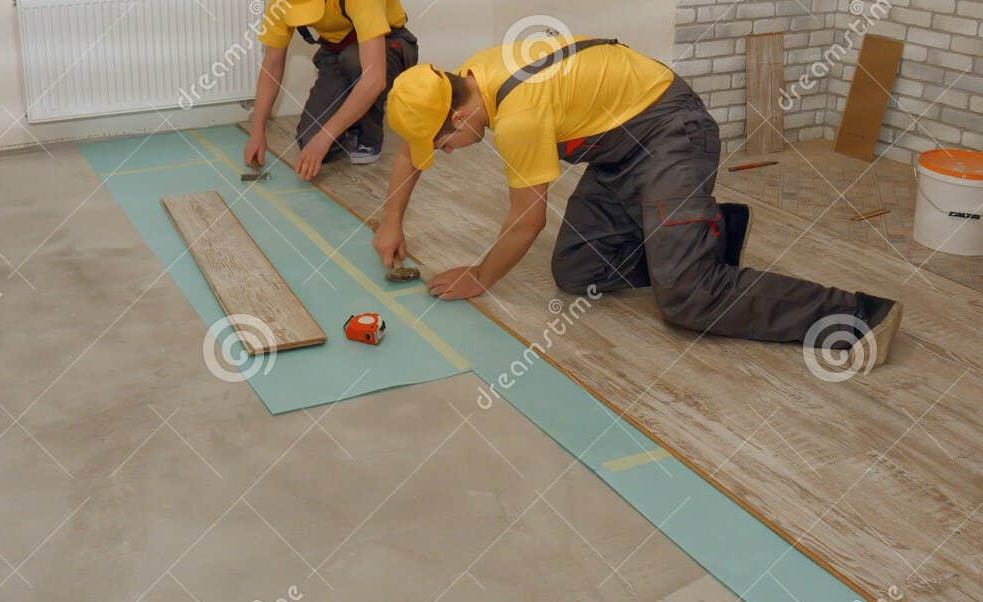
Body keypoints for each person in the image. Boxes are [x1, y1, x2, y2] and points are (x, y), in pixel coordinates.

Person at [374, 35, 902, 367]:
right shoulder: (472, 75)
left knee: (687, 299)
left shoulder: (518, 115)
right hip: (619, 151)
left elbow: (528, 217)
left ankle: (856, 314)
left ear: (460, 117)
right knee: (580, 271)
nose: (444, 152)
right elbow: (410, 156)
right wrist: (390, 222)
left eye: (444, 143)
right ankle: (706, 231)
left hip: (674, 131)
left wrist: (482, 276)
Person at [244, 0, 419, 181]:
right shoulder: (282, 0)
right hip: (336, 52)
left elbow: (374, 78)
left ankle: (369, 135)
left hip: (390, 46)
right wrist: (257, 131)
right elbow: (272, 67)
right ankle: (349, 120)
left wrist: (326, 137)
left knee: (355, 63)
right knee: (310, 140)